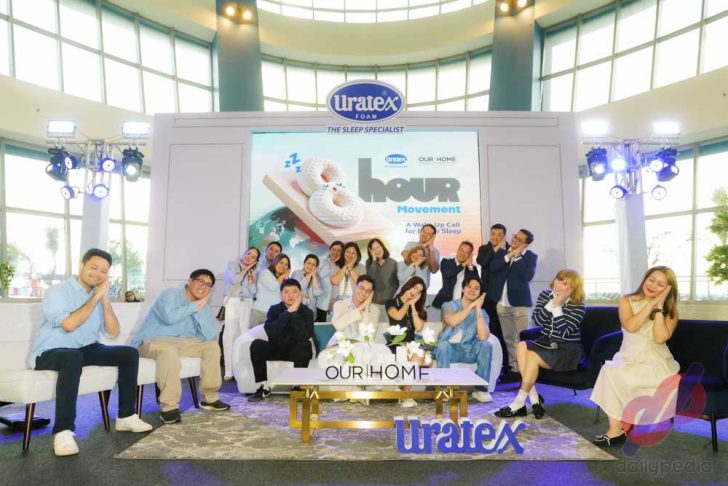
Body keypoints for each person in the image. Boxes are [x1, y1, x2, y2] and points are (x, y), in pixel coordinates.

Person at [30, 248, 152, 456]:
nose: (98, 274)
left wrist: (104, 300)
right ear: (82, 266)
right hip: (51, 351)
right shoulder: (57, 292)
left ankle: (126, 416)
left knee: (129, 353)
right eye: (94, 267)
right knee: (72, 356)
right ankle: (63, 432)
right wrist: (96, 297)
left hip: (86, 348)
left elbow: (113, 332)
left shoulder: (97, 295)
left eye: (104, 271)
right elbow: (69, 325)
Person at [590, 266, 680, 447]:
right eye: (651, 279)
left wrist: (659, 308)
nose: (653, 285)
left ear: (667, 290)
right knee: (609, 371)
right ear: (645, 278)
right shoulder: (626, 301)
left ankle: (626, 423)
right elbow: (631, 326)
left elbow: (660, 338)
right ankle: (615, 431)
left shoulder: (671, 312)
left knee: (623, 375)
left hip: (656, 361)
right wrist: (650, 305)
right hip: (628, 356)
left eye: (660, 284)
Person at [133, 269, 230, 424]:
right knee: (169, 351)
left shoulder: (202, 305)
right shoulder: (170, 294)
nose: (203, 287)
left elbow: (208, 335)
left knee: (212, 347)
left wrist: (200, 308)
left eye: (208, 285)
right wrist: (196, 305)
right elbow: (169, 317)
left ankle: (210, 398)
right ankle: (169, 407)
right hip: (154, 340)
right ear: (190, 281)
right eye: (200, 281)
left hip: (183, 342)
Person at [495, 269, 586, 419]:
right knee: (521, 346)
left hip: (566, 349)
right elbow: (538, 319)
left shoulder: (578, 306)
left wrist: (557, 307)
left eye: (565, 284)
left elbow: (562, 333)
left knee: (531, 355)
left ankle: (519, 402)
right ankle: (534, 399)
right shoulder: (545, 296)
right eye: (558, 279)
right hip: (546, 343)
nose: (558, 285)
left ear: (572, 289)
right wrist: (551, 303)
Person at [248, 279, 315, 401]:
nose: (290, 295)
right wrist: (288, 312)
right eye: (286, 292)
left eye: (294, 292)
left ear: (300, 294)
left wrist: (294, 314)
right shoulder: (274, 310)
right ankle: (264, 386)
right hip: (277, 348)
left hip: (296, 351)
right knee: (256, 345)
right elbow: (272, 332)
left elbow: (305, 335)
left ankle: (297, 386)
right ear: (281, 294)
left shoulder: (307, 312)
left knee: (305, 345)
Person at [488, 228, 537, 379]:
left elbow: (527, 276)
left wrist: (518, 256)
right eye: (515, 236)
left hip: (520, 305)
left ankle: (526, 370)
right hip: (502, 304)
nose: (515, 239)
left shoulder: (530, 256)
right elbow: (493, 267)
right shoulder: (503, 253)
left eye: (519, 239)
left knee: (523, 339)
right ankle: (515, 369)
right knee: (509, 339)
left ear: (526, 244)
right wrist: (509, 255)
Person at [435, 276, 493, 402]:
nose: (472, 290)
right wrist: (471, 305)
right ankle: (443, 389)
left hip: (469, 350)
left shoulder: (482, 312)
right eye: (469, 287)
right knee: (443, 345)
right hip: (450, 350)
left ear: (480, 293)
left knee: (486, 345)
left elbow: (483, 337)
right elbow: (452, 321)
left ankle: (481, 389)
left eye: (476, 288)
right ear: (463, 289)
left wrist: (477, 309)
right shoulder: (449, 305)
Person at [385, 277, 427, 408]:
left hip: (411, 344)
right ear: (408, 286)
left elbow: (418, 327)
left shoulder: (418, 309)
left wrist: (413, 306)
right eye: (414, 288)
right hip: (396, 343)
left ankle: (404, 392)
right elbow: (397, 316)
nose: (415, 292)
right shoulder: (391, 302)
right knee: (415, 355)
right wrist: (408, 303)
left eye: (419, 291)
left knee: (419, 355)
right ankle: (405, 395)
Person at [221, 246, 260, 381]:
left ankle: (241, 370)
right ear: (244, 253)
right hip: (233, 300)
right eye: (248, 254)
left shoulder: (253, 272)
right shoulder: (232, 265)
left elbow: (253, 291)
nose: (249, 257)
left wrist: (251, 279)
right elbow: (235, 280)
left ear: (256, 261)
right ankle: (229, 370)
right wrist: (247, 269)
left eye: (253, 257)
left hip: (247, 302)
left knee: (243, 334)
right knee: (230, 335)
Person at [476, 223, 508, 374]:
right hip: (489, 298)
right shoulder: (484, 249)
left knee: (506, 333)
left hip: (506, 298)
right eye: (493, 234)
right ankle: (495, 364)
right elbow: (483, 262)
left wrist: (503, 250)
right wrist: (497, 249)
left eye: (499, 235)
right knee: (492, 331)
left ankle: (507, 366)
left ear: (504, 236)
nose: (495, 237)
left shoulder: (510, 249)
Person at [432, 241, 479, 309]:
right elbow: (447, 274)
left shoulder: (472, 269)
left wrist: (470, 267)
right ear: (458, 250)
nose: (463, 254)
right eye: (461, 250)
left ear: (470, 255)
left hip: (463, 307)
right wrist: (463, 265)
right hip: (445, 304)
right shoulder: (446, 262)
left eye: (466, 252)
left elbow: (475, 286)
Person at [250, 254, 291, 326]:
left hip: (274, 313)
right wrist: (284, 275)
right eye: (281, 263)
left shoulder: (283, 279)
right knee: (254, 333)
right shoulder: (265, 272)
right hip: (260, 311)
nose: (283, 266)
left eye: (286, 265)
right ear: (275, 262)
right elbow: (273, 286)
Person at [401, 224, 440, 288]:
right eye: (424, 231)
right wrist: (425, 245)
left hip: (421, 287)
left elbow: (433, 270)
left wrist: (431, 249)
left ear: (433, 237)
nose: (425, 235)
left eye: (429, 234)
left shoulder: (434, 251)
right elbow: (406, 257)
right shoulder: (410, 244)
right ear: (420, 231)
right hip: (405, 284)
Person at [365, 238, 399, 312]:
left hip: (390, 305)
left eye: (378, 247)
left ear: (382, 247)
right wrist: (374, 260)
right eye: (373, 249)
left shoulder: (393, 263)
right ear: (370, 252)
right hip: (373, 303)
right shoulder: (369, 262)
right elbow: (371, 278)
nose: (377, 251)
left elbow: (398, 283)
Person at [317, 241, 344, 322]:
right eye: (333, 249)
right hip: (322, 301)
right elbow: (321, 275)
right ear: (329, 250)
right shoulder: (322, 262)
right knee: (320, 325)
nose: (335, 252)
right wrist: (332, 263)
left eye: (339, 250)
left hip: (336, 302)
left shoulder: (342, 266)